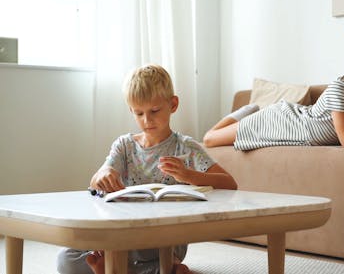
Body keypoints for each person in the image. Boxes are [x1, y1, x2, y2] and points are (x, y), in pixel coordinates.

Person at [56, 64, 237, 274]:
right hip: (124, 235)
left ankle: (116, 269)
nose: (147, 120)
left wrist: (189, 175)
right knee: (66, 259)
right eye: (139, 113)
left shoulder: (186, 147)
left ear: (173, 104)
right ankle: (146, 270)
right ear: (131, 110)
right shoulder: (124, 145)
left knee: (160, 256)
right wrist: (103, 175)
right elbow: (96, 179)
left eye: (154, 111)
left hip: (166, 238)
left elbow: (230, 184)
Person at [203, 23, 344, 149]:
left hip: (297, 125)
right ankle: (247, 111)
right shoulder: (341, 88)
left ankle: (248, 112)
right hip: (281, 121)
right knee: (210, 139)